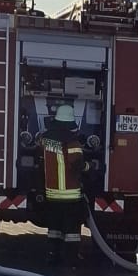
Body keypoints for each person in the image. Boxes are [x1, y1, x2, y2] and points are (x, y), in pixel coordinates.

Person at [37, 101, 85, 263]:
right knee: (71, 231)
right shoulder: (73, 143)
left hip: (52, 194)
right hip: (70, 196)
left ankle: (53, 254)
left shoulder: (47, 141)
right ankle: (71, 258)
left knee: (54, 228)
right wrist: (89, 166)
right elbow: (77, 165)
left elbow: (39, 143)